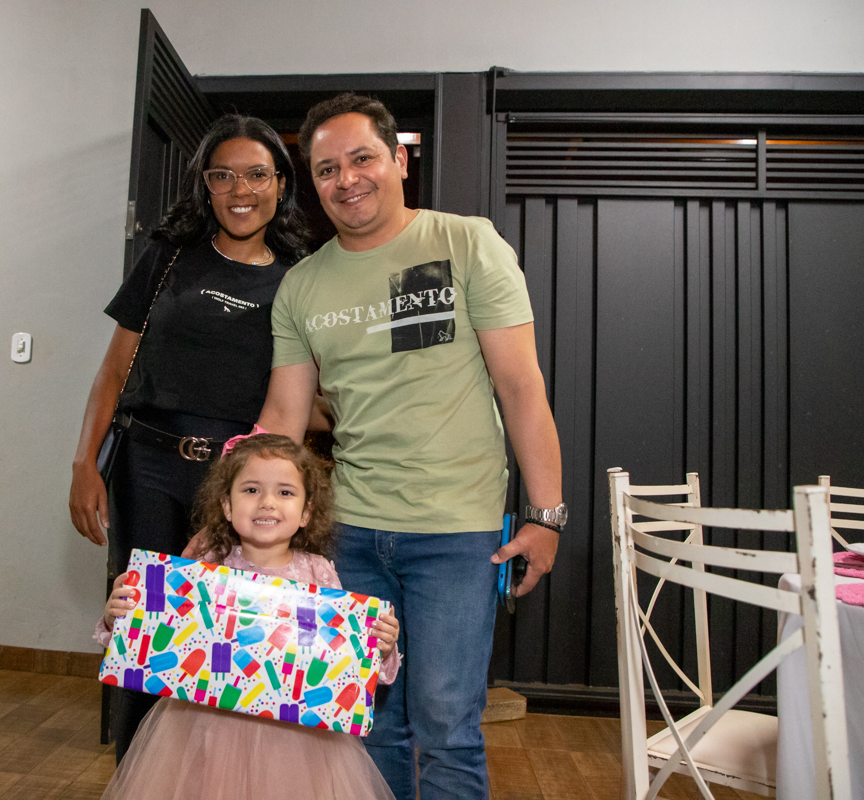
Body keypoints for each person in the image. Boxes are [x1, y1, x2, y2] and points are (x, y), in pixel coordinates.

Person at [255, 94, 566, 799]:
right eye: (326, 168)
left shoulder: (466, 243)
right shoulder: (302, 285)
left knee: (447, 727)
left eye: (362, 158)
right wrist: (238, 517)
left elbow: (521, 386)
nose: (346, 179)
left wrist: (546, 515)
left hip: (457, 533)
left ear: (399, 160)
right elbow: (283, 415)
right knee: (366, 724)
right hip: (349, 535)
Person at [68, 114, 311, 760]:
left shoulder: (301, 276)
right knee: (145, 634)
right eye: (223, 175)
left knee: (225, 642)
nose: (241, 189)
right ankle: (136, 774)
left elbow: (301, 397)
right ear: (205, 185)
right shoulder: (168, 257)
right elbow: (114, 370)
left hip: (235, 483)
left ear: (281, 183)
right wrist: (84, 464)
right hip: (144, 468)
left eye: (257, 174)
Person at [97, 434, 401, 800]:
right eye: (252, 490)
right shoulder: (206, 568)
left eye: (285, 492)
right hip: (206, 729)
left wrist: (381, 646)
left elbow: (343, 660)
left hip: (295, 743)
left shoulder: (319, 573)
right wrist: (118, 617)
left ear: (306, 512)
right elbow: (154, 639)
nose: (267, 502)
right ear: (227, 505)